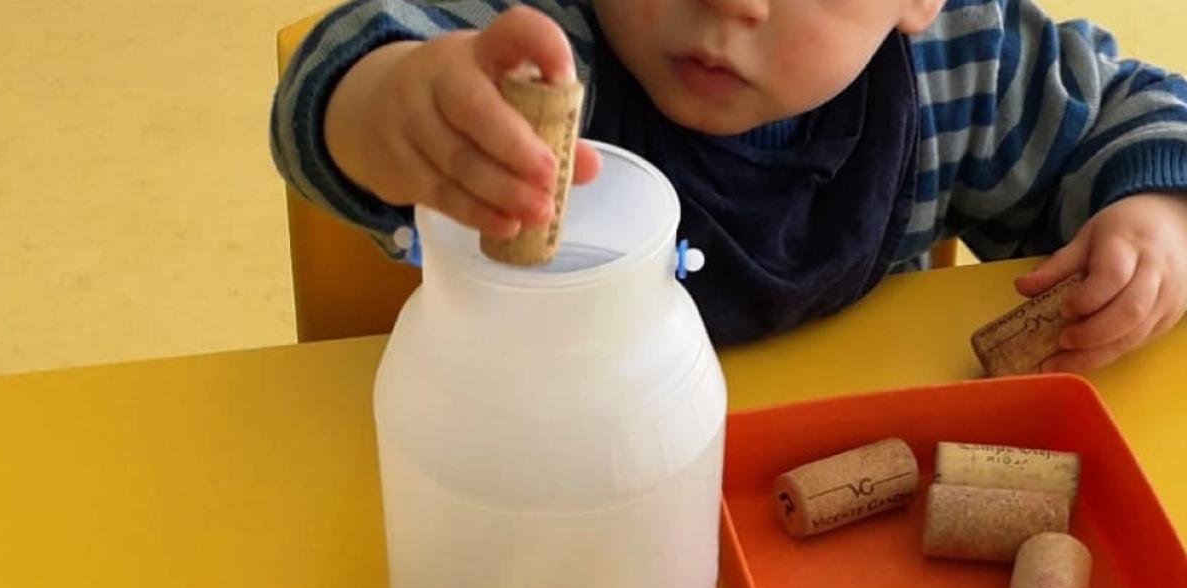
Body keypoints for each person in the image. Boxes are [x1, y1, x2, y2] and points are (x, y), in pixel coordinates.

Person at [272, 0, 1187, 371]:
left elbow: (1138, 114)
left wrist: (1156, 215)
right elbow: (337, 76)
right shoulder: (532, 54)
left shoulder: (968, 66)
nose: (732, 4)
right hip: (546, 503)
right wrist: (394, 110)